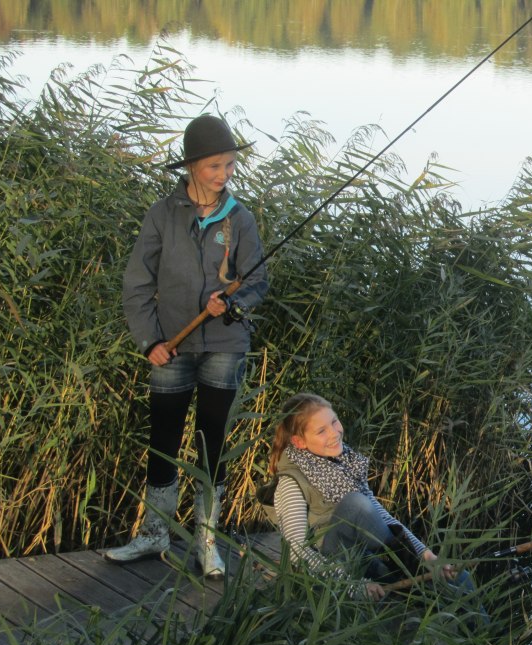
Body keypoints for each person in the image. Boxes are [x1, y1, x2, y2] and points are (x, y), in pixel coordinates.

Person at [105, 114, 268, 576]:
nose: (225, 175)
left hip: (224, 345)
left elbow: (256, 281)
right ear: (193, 165)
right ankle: (153, 535)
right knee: (163, 440)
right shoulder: (162, 214)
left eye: (230, 165)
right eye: (216, 166)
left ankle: (206, 542)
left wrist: (231, 308)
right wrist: (149, 341)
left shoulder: (240, 219)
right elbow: (137, 283)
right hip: (170, 347)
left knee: (210, 443)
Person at [262, 393, 478, 603]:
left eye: (334, 421)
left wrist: (426, 554)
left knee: (461, 577)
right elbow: (296, 550)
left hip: (364, 556)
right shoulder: (290, 482)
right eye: (321, 431)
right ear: (299, 442)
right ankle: (410, 567)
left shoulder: (343, 462)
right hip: (328, 570)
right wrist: (350, 585)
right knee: (356, 503)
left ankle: (482, 632)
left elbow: (379, 514)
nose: (334, 433)